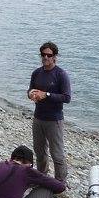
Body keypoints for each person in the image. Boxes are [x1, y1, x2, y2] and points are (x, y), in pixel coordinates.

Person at [27, 41, 71, 182]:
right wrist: (31, 94)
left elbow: (67, 97)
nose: (45, 57)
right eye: (43, 54)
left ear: (55, 57)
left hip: (54, 120)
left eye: (49, 55)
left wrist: (46, 95)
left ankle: (60, 183)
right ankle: (42, 178)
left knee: (57, 154)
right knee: (39, 152)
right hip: (38, 117)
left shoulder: (61, 74)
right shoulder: (36, 73)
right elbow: (30, 90)